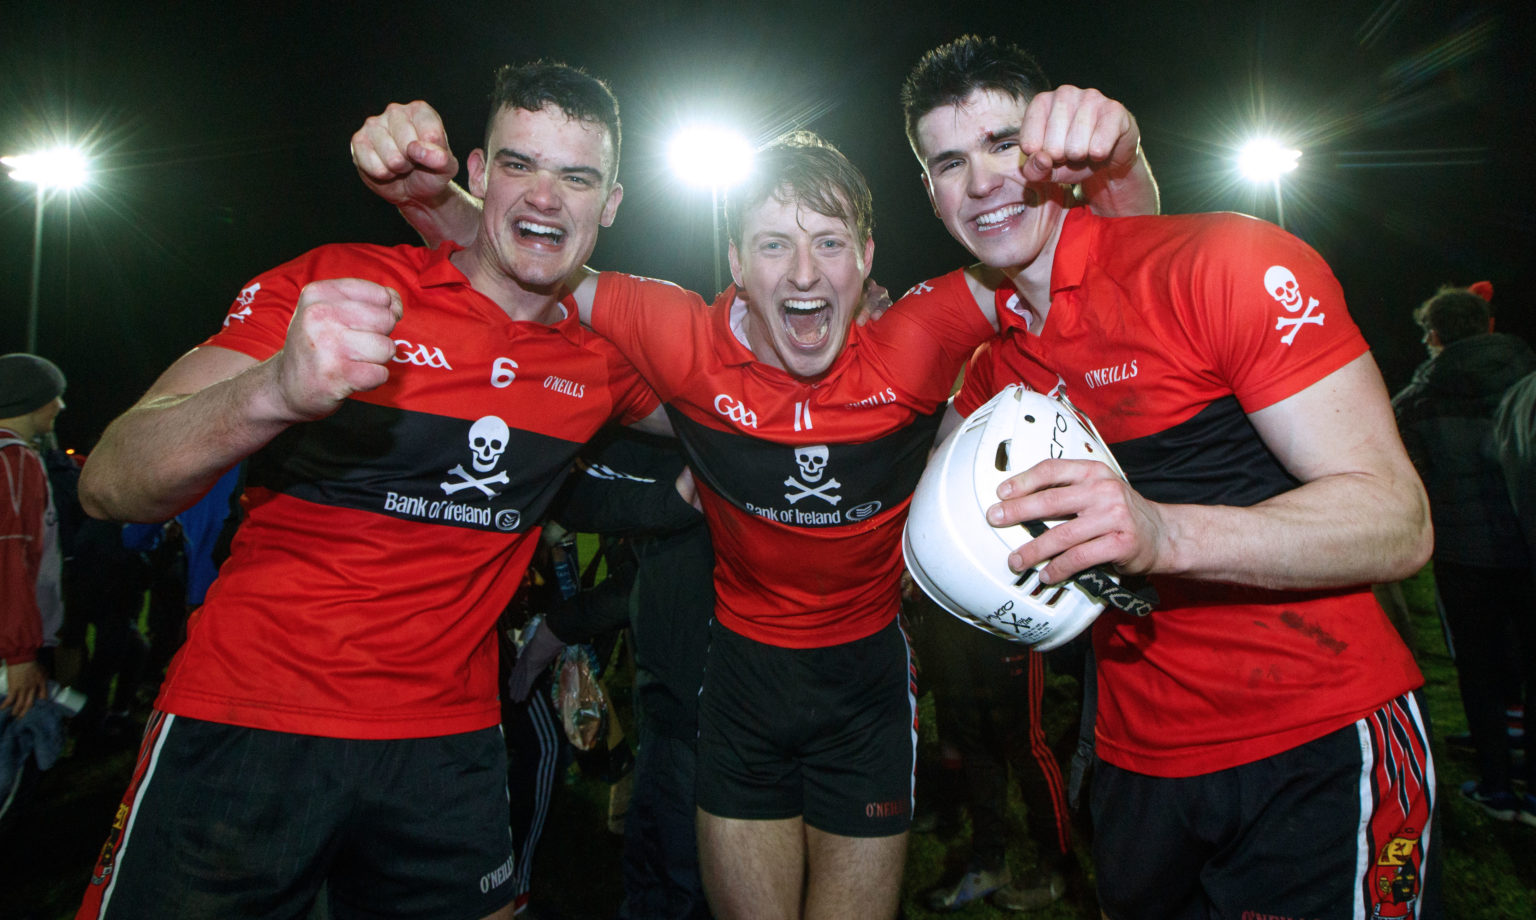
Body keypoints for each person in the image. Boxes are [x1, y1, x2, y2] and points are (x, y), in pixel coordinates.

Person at [354, 87, 1156, 920]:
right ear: (737, 262)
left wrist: (1119, 164)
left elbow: (1095, 264)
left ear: (866, 258)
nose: (803, 273)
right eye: (773, 244)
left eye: (828, 244)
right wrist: (425, 194)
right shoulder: (678, 335)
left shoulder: (918, 339)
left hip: (868, 688)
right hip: (740, 684)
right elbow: (524, 260)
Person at [73, 61, 661, 920]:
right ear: (477, 174)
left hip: (450, 745)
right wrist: (272, 390)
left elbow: (740, 412)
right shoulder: (340, 283)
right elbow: (110, 479)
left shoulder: (604, 359)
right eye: (520, 164)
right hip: (251, 716)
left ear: (610, 203)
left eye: (578, 176)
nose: (546, 197)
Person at [898, 35, 1437, 920]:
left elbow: (1398, 520)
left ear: (1050, 149)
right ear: (931, 190)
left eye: (1003, 145)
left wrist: (1162, 532)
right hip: (1133, 764)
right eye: (948, 161)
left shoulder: (1221, 260)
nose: (982, 181)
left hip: (1316, 742)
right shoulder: (995, 374)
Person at [1394, 282, 1536, 826]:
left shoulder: (1420, 398)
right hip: (1527, 541)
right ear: (1490, 325)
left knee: (1475, 667)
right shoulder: (1526, 376)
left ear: (1434, 335)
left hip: (1464, 551)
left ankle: (1497, 786)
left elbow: (1410, 479)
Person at [1, 353, 68, 723]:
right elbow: (8, 555)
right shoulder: (14, 458)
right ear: (30, 400)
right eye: (54, 395)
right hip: (11, 647)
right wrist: (20, 653)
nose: (61, 405)